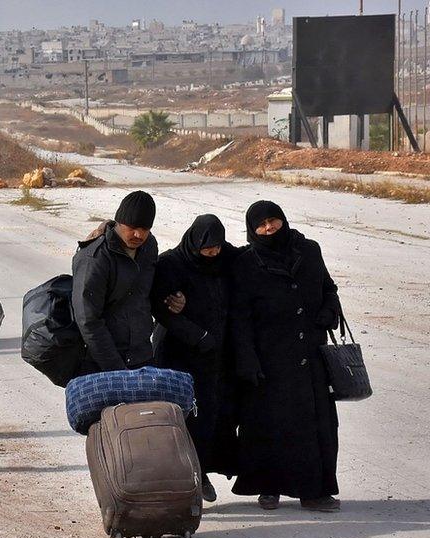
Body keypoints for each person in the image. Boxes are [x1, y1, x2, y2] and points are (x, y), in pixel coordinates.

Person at [230, 201, 342, 513]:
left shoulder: (309, 250)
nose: (268, 229)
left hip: (311, 355)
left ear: (283, 220)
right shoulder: (247, 263)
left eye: (273, 221)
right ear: (252, 230)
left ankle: (315, 491)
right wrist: (247, 360)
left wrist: (329, 310)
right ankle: (269, 487)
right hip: (270, 359)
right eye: (261, 225)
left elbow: (329, 287)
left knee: (318, 426)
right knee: (269, 426)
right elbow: (240, 317)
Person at [151, 214, 239, 503]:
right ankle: (184, 480)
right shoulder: (171, 264)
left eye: (217, 247)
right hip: (177, 357)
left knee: (210, 418)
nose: (213, 253)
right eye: (207, 248)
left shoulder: (224, 261)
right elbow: (162, 309)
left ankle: (200, 474)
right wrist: (197, 335)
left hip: (213, 359)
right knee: (180, 418)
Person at [71, 191, 160, 372]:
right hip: (101, 363)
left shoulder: (149, 246)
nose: (138, 234)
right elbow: (88, 319)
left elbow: (147, 294)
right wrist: (116, 368)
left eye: (145, 229)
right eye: (132, 227)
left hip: (141, 357)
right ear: (119, 222)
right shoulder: (95, 257)